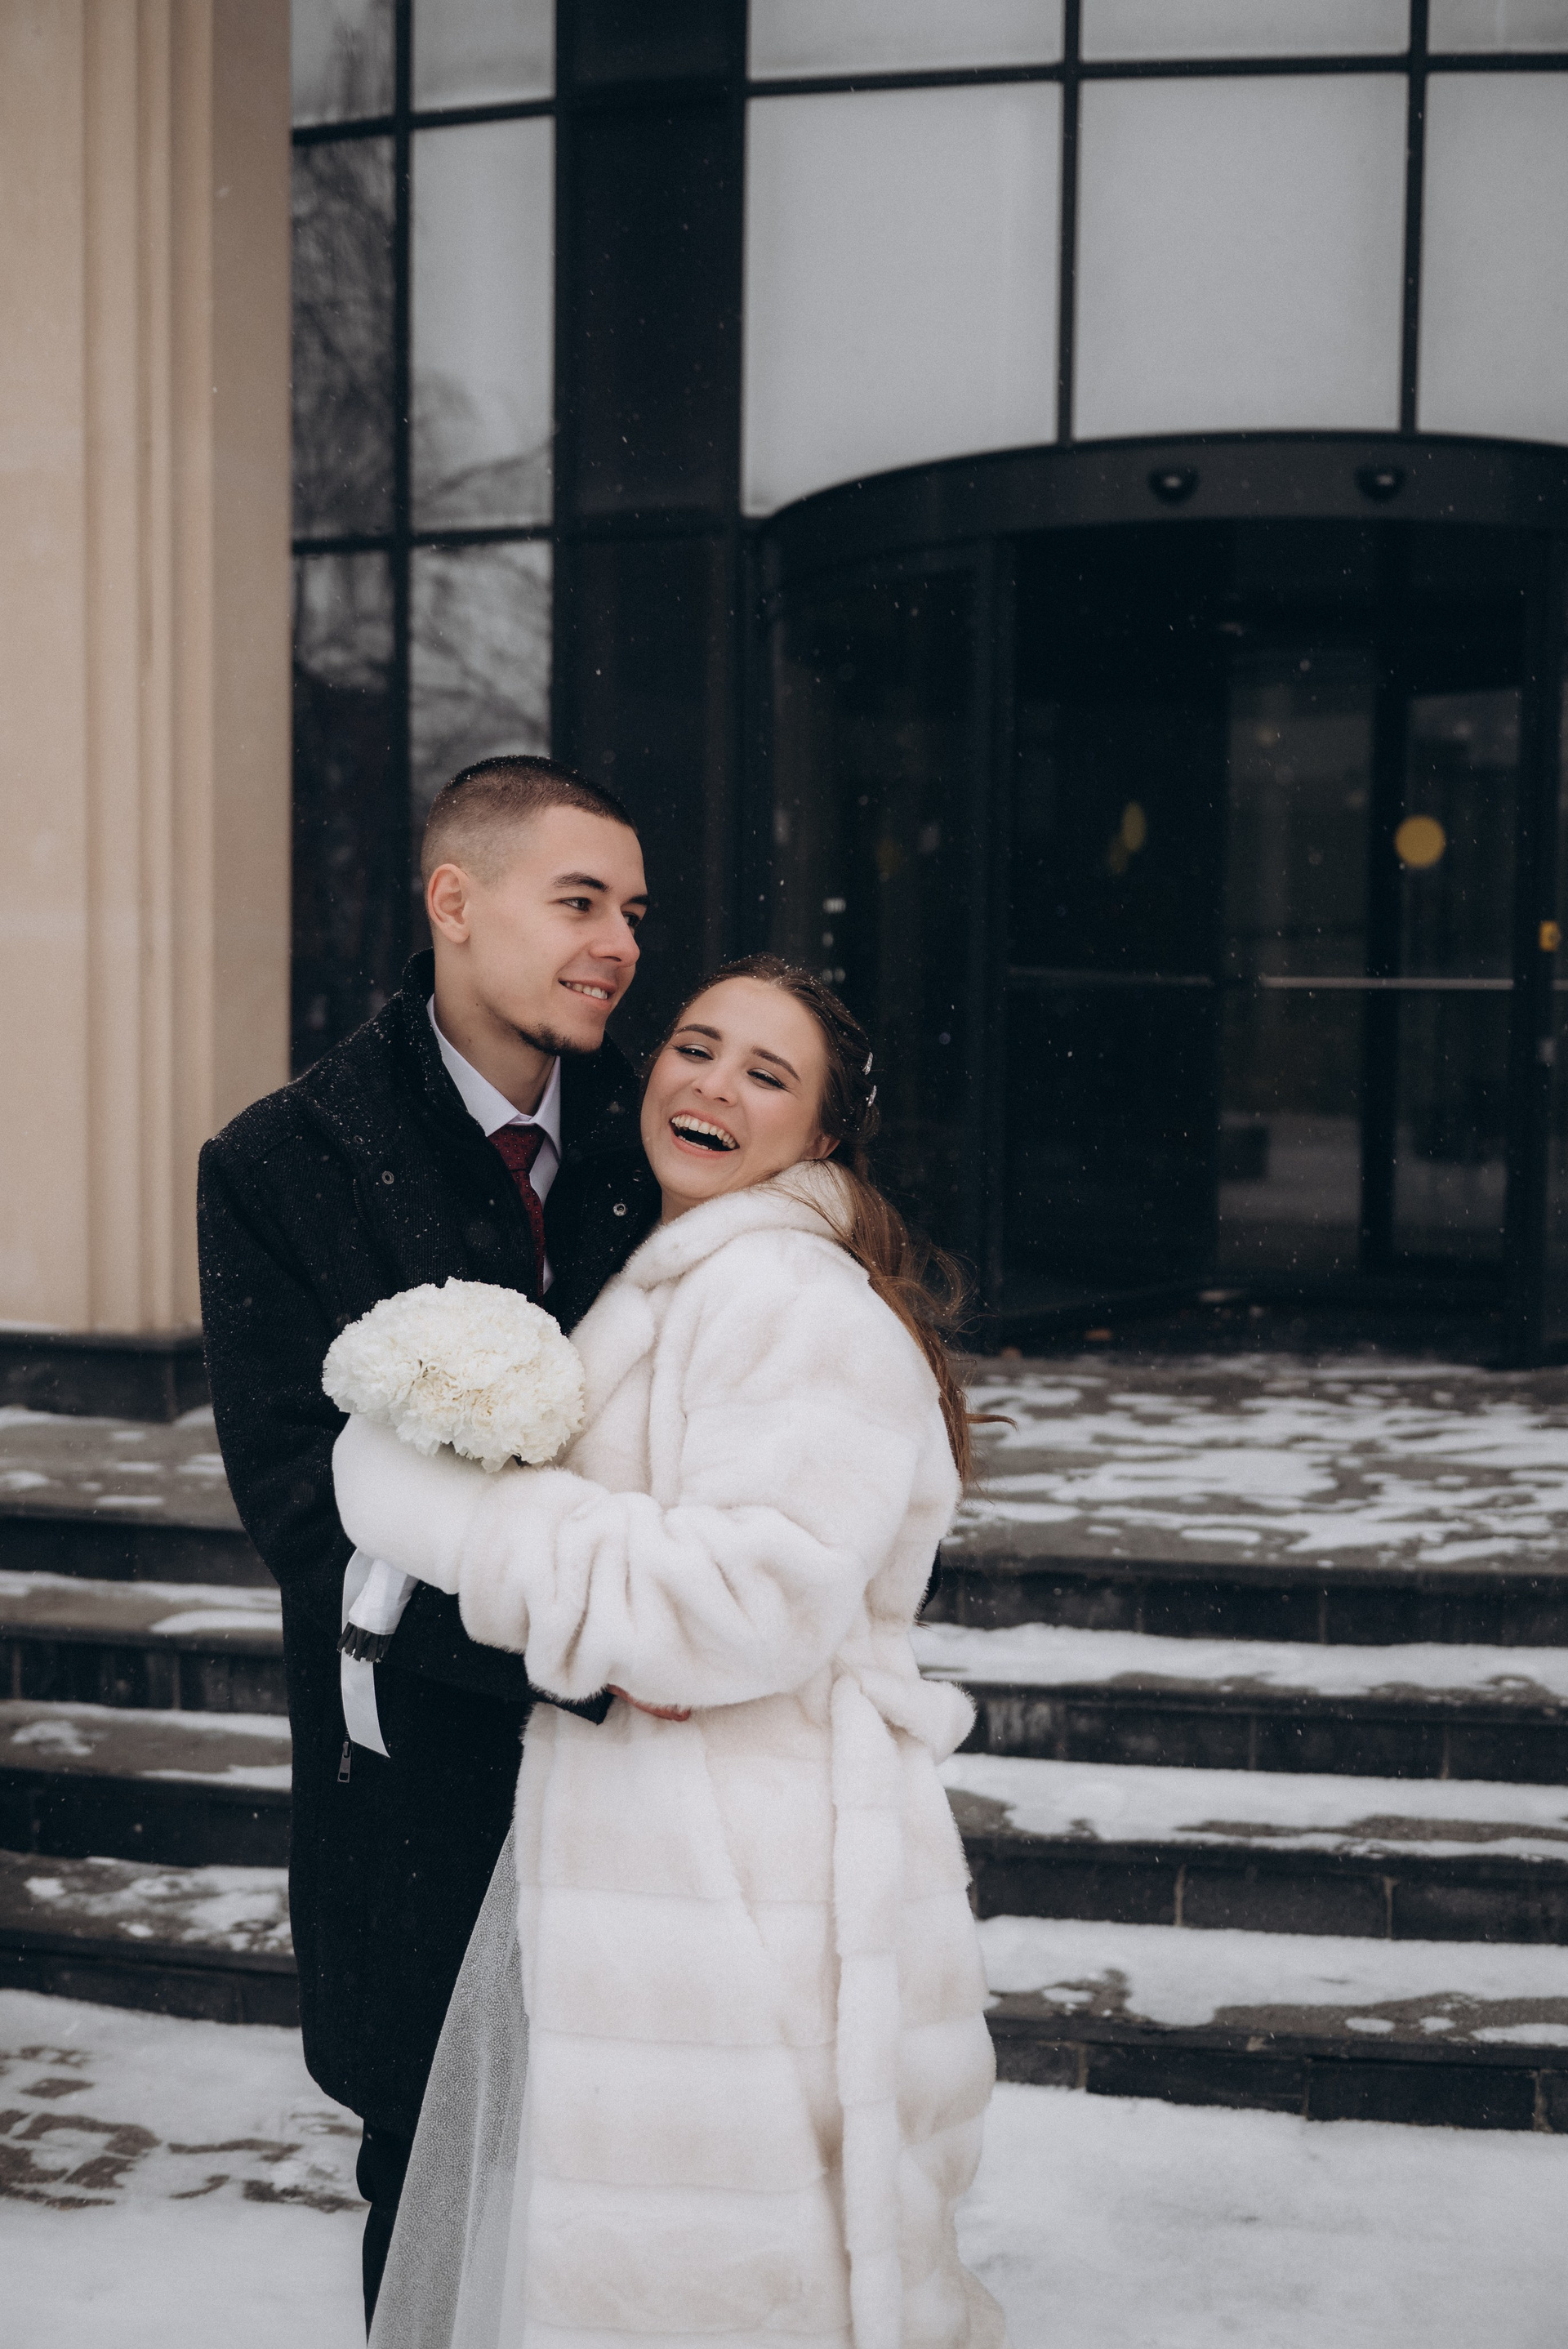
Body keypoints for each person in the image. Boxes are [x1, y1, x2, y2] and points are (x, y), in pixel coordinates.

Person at [332, 957, 1011, 2349]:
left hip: (748, 1871)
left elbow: (747, 1603)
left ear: (823, 1133)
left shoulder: (789, 1298)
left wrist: (472, 1524)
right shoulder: (689, 1278)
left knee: (724, 2286)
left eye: (768, 1073)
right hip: (673, 1854)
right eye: (697, 1048)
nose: (713, 1086)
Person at [197, 757, 661, 2327]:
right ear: (454, 901)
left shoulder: (677, 1132)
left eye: (635, 913)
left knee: (648, 2184)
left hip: (661, 1785)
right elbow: (300, 1507)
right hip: (419, 1782)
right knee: (436, 2190)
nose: (619, 945)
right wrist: (585, 1650)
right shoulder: (281, 1162)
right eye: (580, 901)